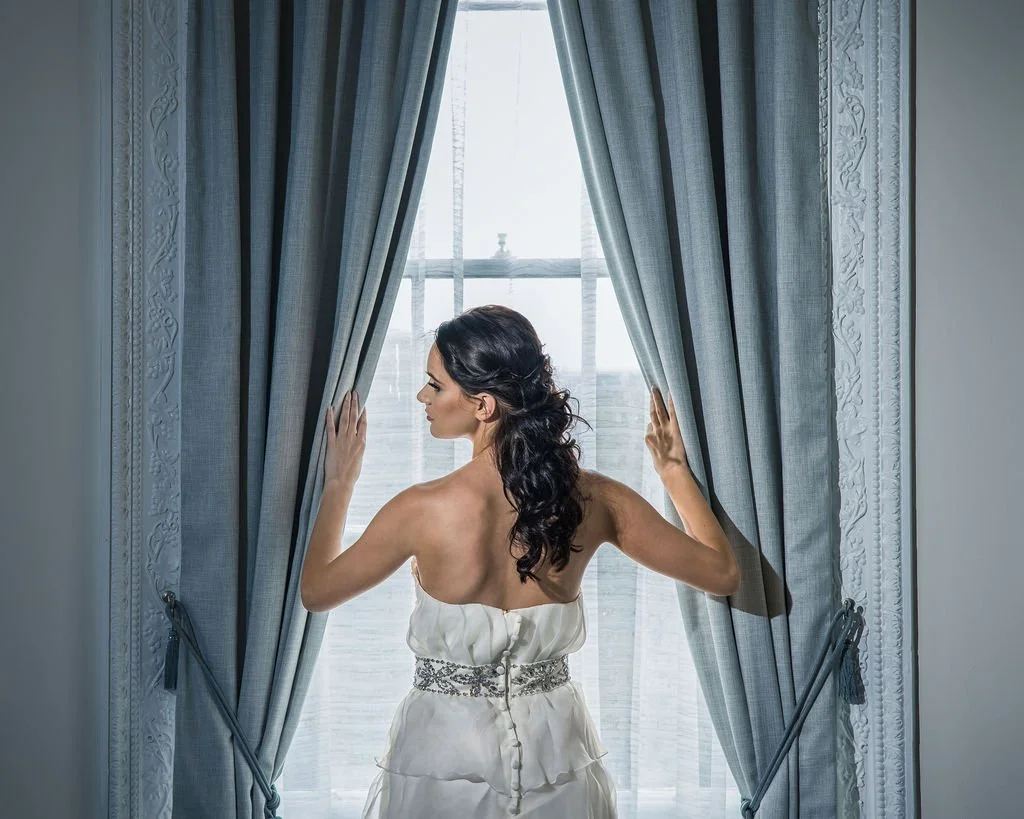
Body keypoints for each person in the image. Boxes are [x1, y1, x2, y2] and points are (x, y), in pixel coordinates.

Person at [301, 304, 740, 818]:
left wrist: (339, 484)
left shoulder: (419, 510)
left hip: (443, 758)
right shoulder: (595, 500)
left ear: (483, 404)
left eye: (434, 385)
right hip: (556, 756)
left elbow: (317, 591)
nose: (422, 396)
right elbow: (722, 573)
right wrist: (673, 473)